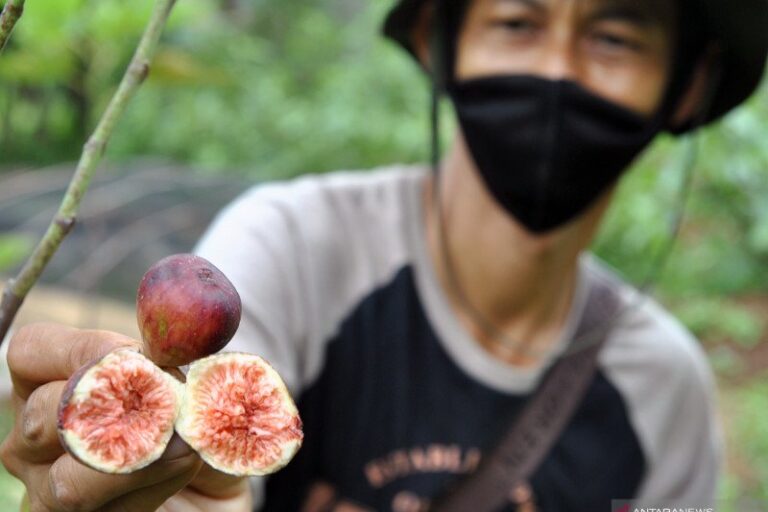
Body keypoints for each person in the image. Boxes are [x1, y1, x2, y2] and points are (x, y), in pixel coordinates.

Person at [2, 0, 767, 511]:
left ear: (689, 84)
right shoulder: (294, 248)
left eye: (613, 36)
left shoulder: (665, 392)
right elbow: (201, 480)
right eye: (516, 21)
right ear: (441, 42)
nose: (557, 70)